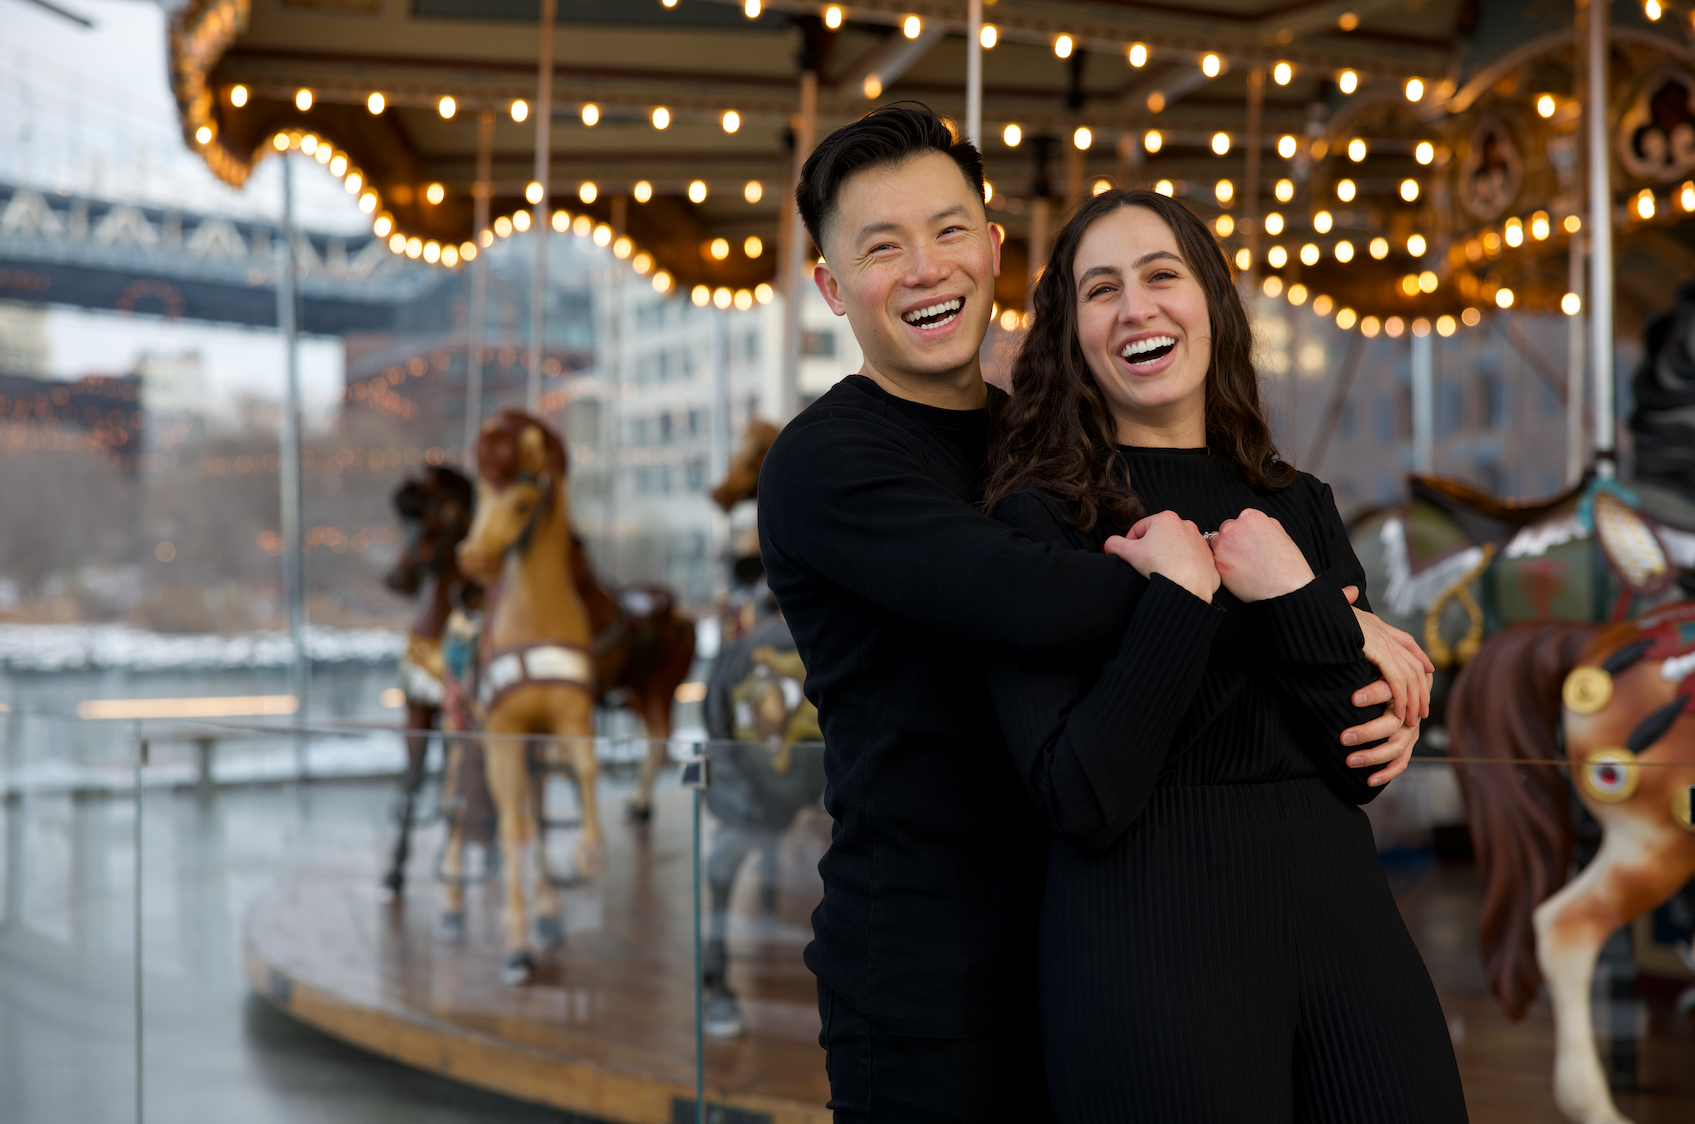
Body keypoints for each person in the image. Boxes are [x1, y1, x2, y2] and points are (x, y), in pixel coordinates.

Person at [758, 104, 1428, 1121]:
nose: (928, 268)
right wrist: (1302, 612)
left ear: (992, 249)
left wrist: (1314, 620)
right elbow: (1030, 596)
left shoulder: (1037, 449)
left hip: (1092, 933)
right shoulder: (831, 461)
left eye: (948, 232)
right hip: (934, 967)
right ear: (831, 285)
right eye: (882, 248)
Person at [980, 188, 1464, 1122]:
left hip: (1338, 922)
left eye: (1162, 275)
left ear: (1210, 300)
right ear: (1068, 333)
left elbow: (1352, 757)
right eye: (1100, 290)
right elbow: (1082, 794)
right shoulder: (1039, 519)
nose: (1137, 308)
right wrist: (1180, 597)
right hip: (1144, 939)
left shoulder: (1298, 505)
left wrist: (1294, 593)